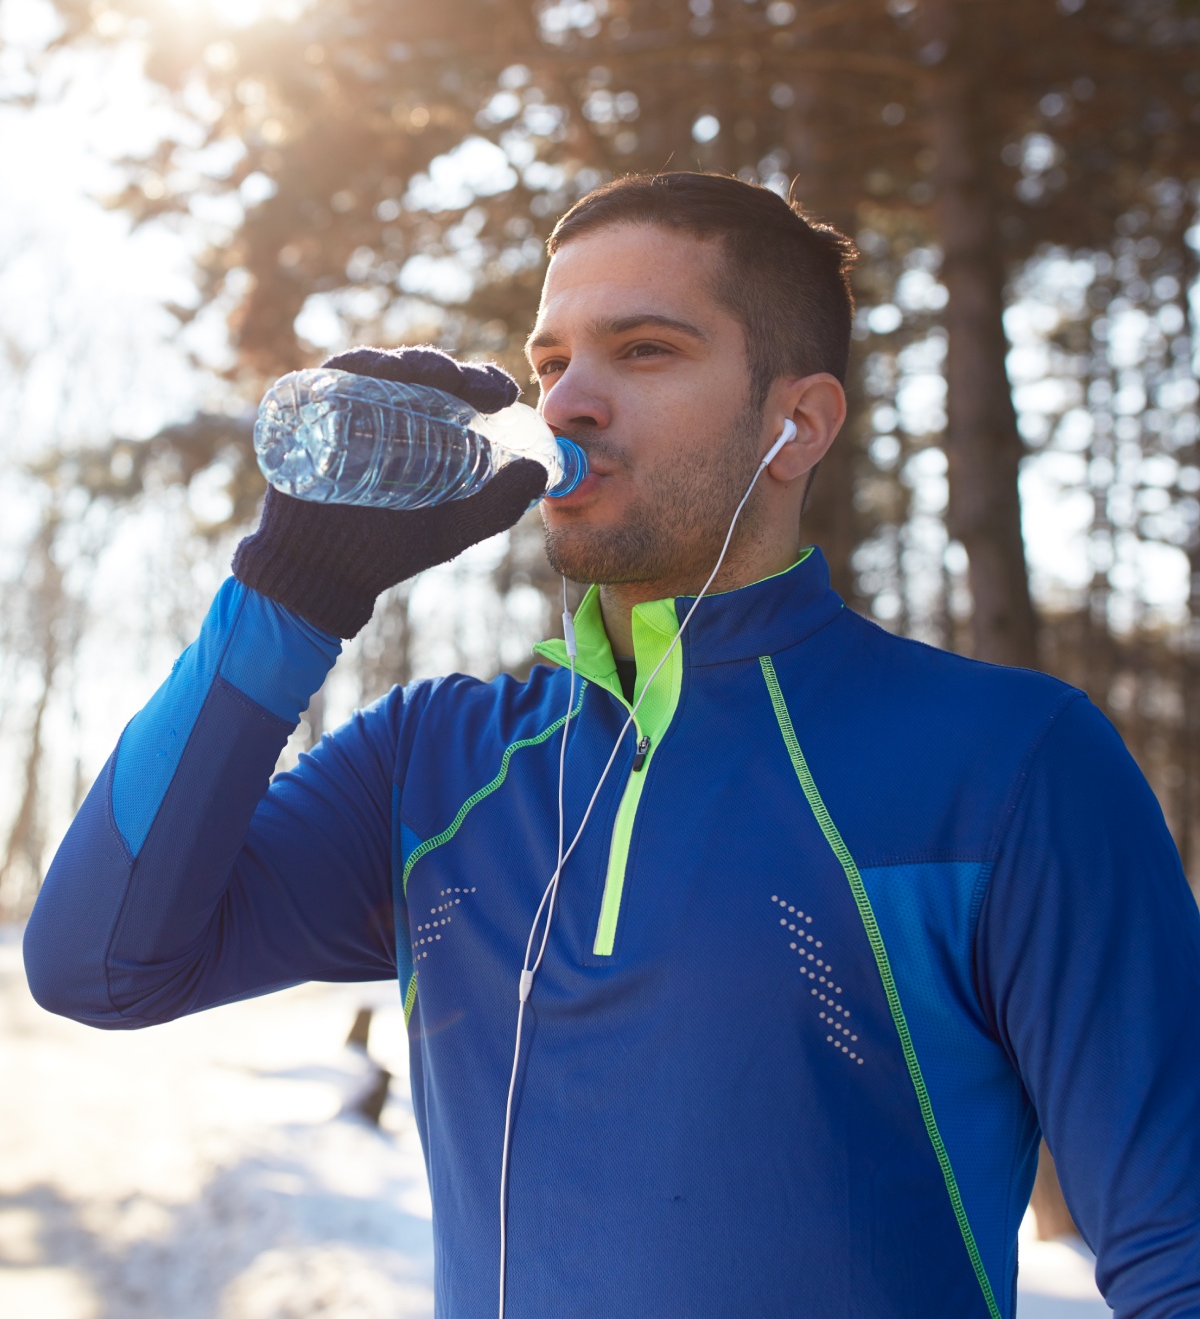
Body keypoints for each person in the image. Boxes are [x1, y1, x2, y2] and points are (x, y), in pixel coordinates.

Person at [24, 172, 1200, 1319]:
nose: (570, 403)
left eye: (643, 350)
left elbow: (1177, 1249)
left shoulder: (1008, 765)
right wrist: (290, 596)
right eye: (551, 362)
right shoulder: (434, 763)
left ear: (799, 424)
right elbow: (103, 962)